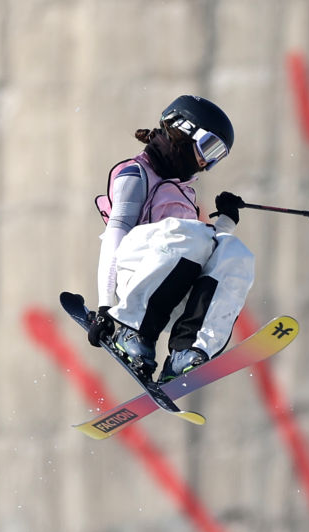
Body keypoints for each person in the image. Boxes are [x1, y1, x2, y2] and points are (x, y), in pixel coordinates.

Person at [86, 95, 254, 383]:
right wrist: (105, 306)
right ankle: (134, 332)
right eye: (210, 148)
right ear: (185, 131)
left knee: (235, 252)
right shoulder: (135, 173)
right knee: (192, 233)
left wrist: (226, 220)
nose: (207, 161)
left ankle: (189, 350)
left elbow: (204, 253)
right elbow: (115, 235)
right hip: (136, 280)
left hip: (172, 289)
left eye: (217, 156)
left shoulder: (185, 192)